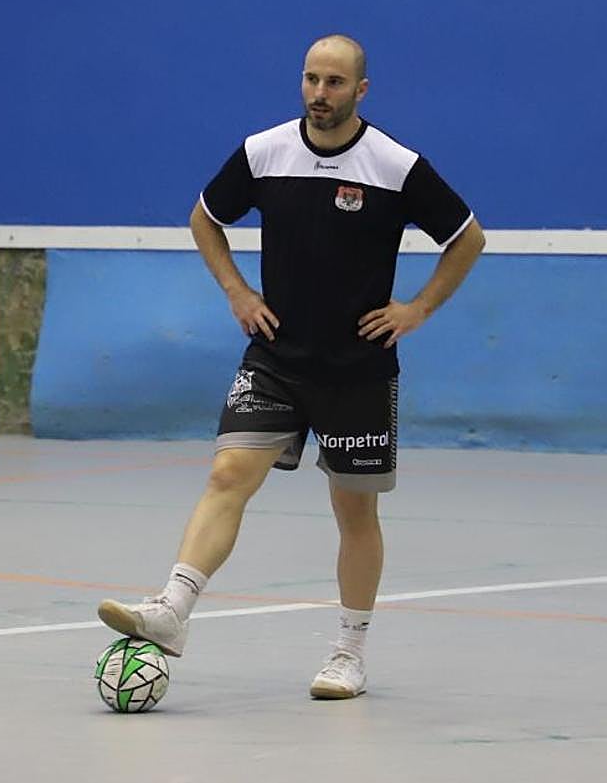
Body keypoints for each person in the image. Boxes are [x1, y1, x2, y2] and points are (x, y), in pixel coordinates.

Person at [98, 34, 486, 699]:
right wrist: (237, 291)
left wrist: (416, 308)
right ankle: (173, 607)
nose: (318, 93)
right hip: (275, 356)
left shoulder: (394, 165)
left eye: (334, 82)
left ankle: (348, 653)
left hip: (357, 368)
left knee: (353, 513)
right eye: (310, 78)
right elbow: (204, 218)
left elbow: (466, 237)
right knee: (228, 472)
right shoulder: (263, 151)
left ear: (360, 91)